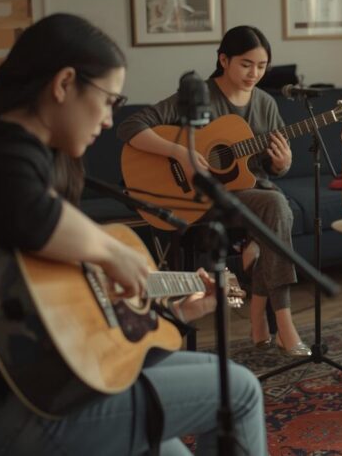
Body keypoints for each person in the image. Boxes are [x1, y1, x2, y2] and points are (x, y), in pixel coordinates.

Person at [0, 13, 266, 455]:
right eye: (109, 101)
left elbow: (62, 301)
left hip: (46, 378)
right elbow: (31, 214)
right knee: (239, 391)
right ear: (64, 84)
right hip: (5, 407)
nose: (108, 121)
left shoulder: (36, 157)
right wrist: (114, 254)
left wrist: (174, 310)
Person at [118, 25, 310, 358]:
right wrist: (181, 152)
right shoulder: (200, 97)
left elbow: (268, 168)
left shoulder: (266, 104)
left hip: (249, 193)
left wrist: (283, 163)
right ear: (223, 60)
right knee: (278, 208)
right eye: (246, 64)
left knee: (276, 208)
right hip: (198, 198)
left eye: (261, 66)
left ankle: (262, 311)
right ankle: (283, 322)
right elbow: (130, 126)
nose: (254, 74)